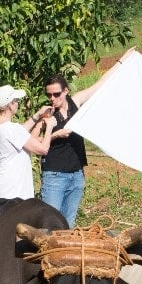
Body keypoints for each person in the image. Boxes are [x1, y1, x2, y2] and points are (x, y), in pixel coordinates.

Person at [36, 75, 90, 226]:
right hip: (55, 175)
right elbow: (32, 141)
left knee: (69, 222)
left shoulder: (75, 103)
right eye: (49, 95)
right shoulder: (47, 113)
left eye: (56, 94)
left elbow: (99, 85)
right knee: (51, 224)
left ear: (66, 91)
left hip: (76, 174)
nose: (52, 98)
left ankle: (66, 250)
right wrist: (55, 135)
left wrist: (122, 61)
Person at [0, 84, 52, 200]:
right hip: (12, 191)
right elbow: (43, 149)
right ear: (10, 104)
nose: (18, 103)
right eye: (16, 100)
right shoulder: (12, 129)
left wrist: (37, 115)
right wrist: (49, 127)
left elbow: (17, 135)